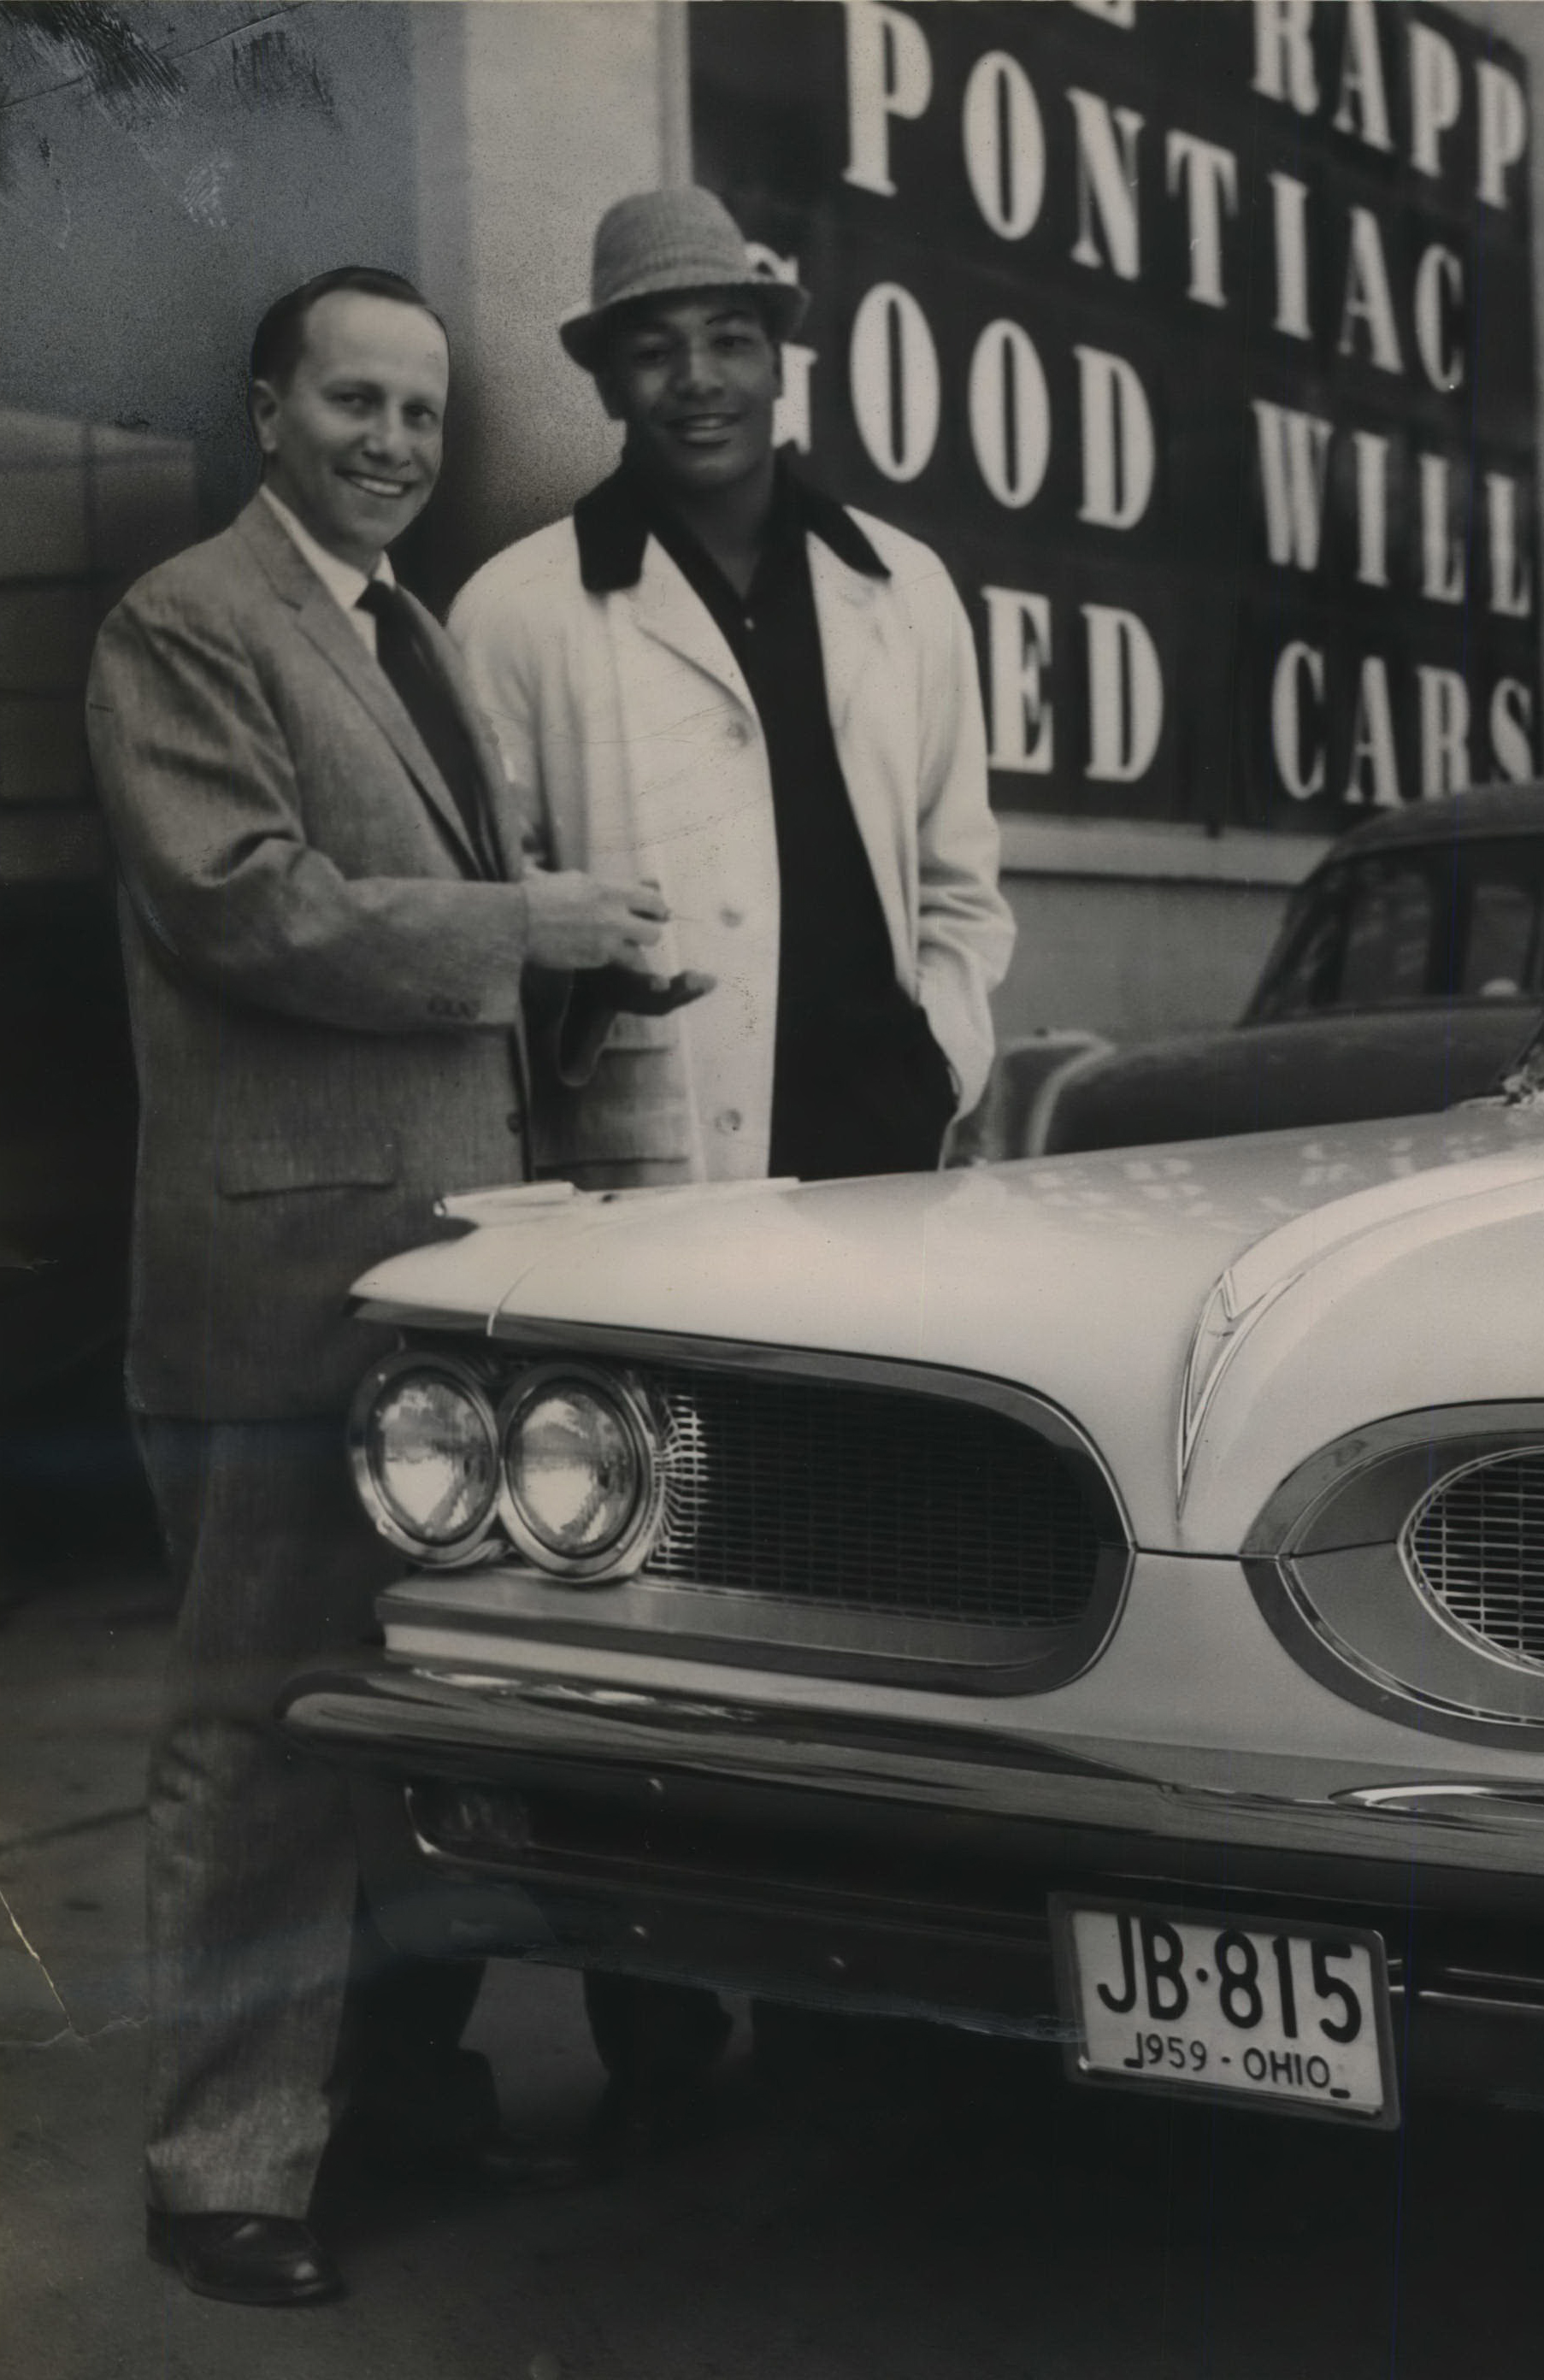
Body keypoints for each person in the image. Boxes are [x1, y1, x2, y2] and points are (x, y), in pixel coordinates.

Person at [83, 266, 681, 2306]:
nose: (395, 443)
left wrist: (589, 977)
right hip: (274, 1286)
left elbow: (438, 965)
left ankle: (387, 2120)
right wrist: (532, 922)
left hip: (434, 1291)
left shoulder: (404, 633)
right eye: (354, 401)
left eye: (423, 412)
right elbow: (249, 907)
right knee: (258, 1730)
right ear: (269, 410)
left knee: (424, 1723)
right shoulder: (183, 623)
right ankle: (222, 2171)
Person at [451, 188, 1012, 2132]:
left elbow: (963, 881)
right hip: (657, 1166)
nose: (696, 378)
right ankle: (660, 2004)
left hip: (880, 1164)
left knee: (875, 1582)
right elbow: (488, 911)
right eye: (653, 346)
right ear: (607, 376)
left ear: (783, 359)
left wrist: (942, 1045)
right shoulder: (521, 609)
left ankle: (869, 2000)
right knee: (650, 1588)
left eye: (728, 339)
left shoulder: (903, 584)